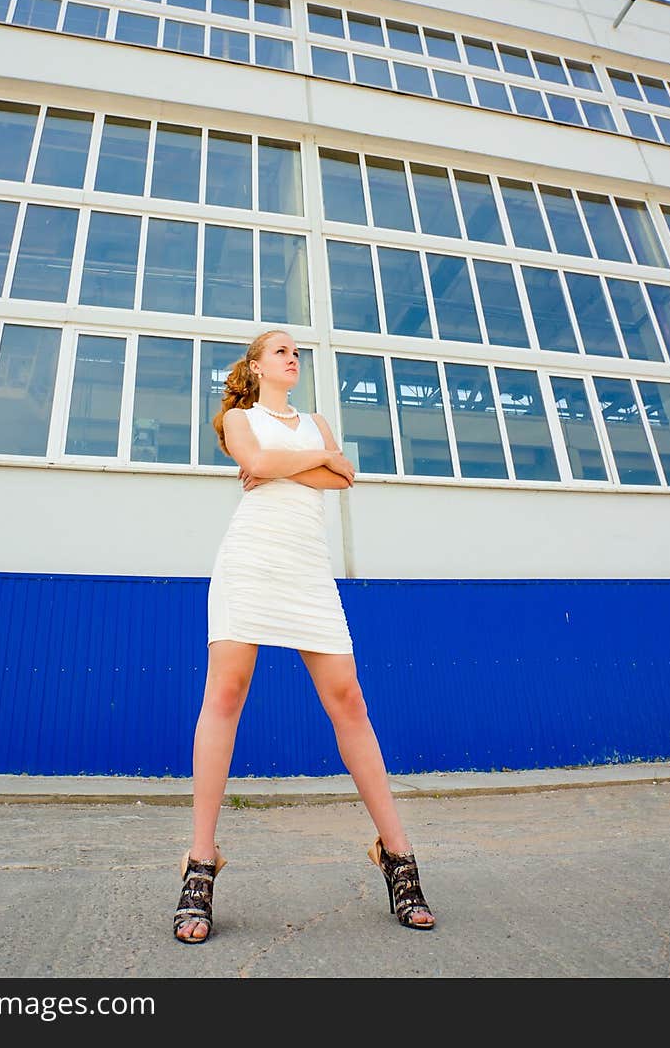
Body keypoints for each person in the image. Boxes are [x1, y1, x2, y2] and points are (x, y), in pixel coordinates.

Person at [172, 328, 436, 942]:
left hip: (308, 572)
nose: (293, 358)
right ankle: (200, 862)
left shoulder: (315, 419)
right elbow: (258, 462)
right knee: (225, 698)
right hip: (250, 564)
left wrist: (299, 463)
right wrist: (307, 462)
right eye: (282, 351)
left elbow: (342, 478)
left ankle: (396, 855)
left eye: (297, 352)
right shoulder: (239, 418)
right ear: (258, 365)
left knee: (349, 701)